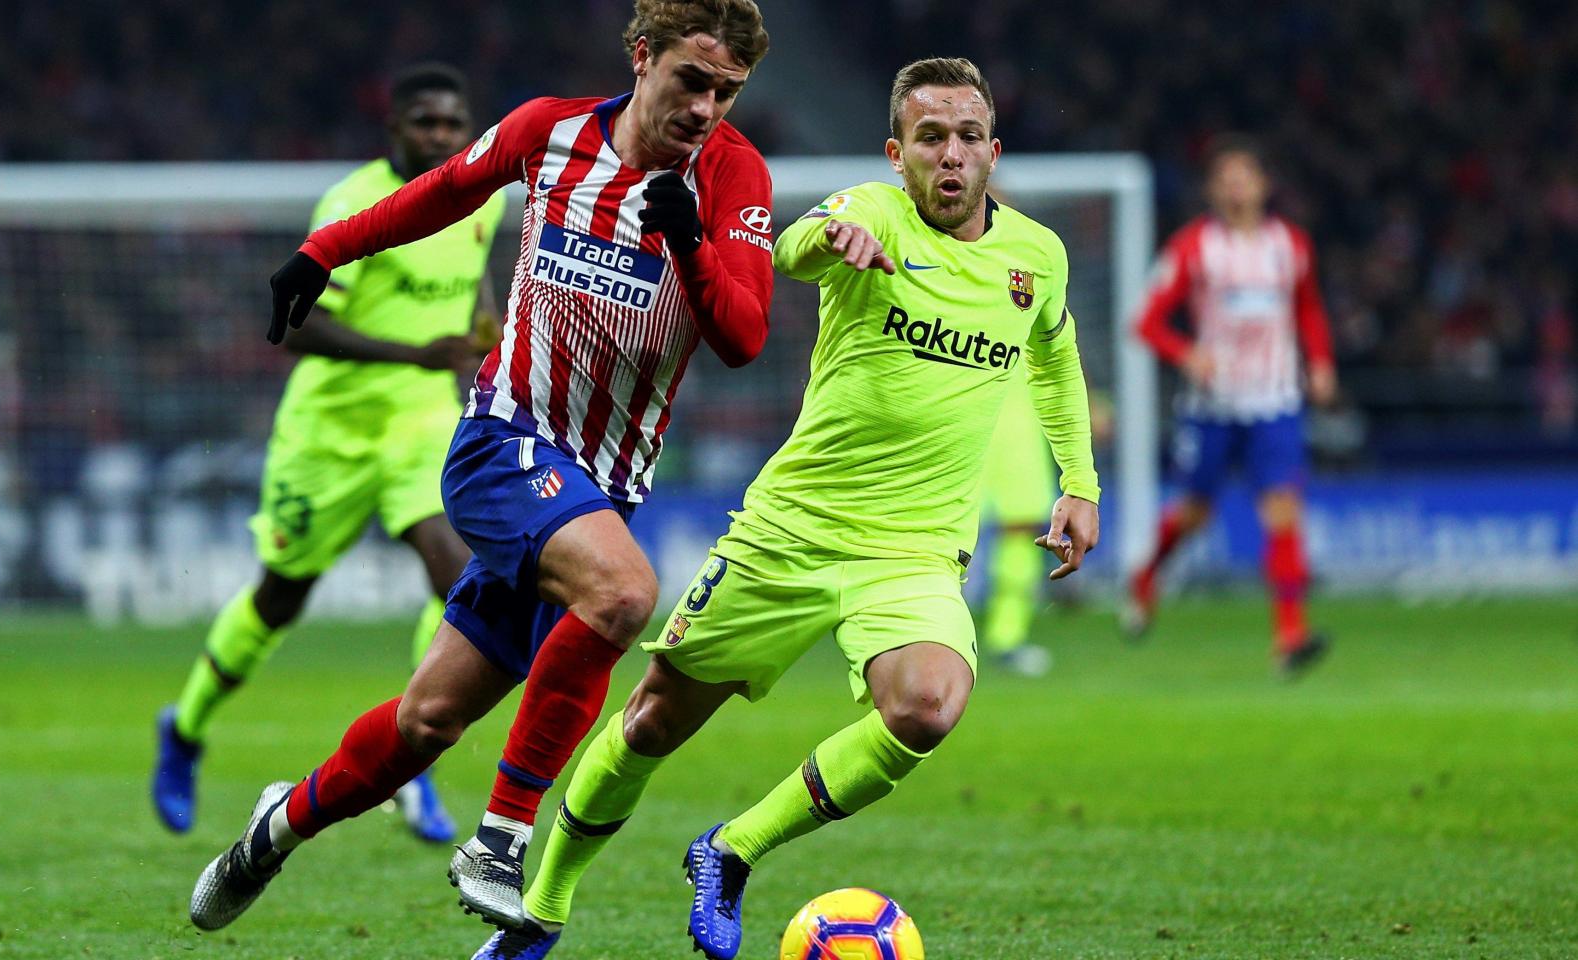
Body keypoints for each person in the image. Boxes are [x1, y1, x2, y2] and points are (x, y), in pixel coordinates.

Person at [475, 57, 1101, 960]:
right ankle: (541, 910)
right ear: (898, 153)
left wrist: (1078, 481)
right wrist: (829, 245)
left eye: (968, 137)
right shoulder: (869, 212)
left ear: (994, 151)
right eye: (930, 138)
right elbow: (790, 244)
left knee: (927, 706)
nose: (951, 156)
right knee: (653, 718)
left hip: (915, 550)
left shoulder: (1037, 256)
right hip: (791, 531)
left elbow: (1054, 355)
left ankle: (730, 851)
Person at [186, 0, 774, 934]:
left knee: (426, 722)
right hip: (504, 441)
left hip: (599, 486)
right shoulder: (551, 132)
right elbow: (444, 191)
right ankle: (500, 840)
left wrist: (692, 240)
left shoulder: (733, 174)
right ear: (641, 57)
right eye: (690, 81)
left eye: (726, 91)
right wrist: (323, 250)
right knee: (623, 594)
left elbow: (744, 336)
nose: (706, 108)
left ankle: (274, 828)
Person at [151, 62, 503, 843]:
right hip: (329, 434)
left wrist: (483, 329)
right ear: (395, 130)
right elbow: (297, 327)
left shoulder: (482, 198)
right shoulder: (353, 205)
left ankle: (413, 760)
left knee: (457, 576)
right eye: (427, 124)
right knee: (282, 596)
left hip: (418, 425)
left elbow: (470, 280)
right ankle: (185, 727)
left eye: (454, 123)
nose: (443, 136)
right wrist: (413, 354)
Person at [1123, 137, 1335, 675]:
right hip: (1212, 406)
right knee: (1195, 514)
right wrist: (1186, 351)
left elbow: (1308, 309)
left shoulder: (1291, 246)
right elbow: (1144, 322)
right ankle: (1146, 576)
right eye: (1227, 178)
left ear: (1264, 185)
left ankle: (1290, 637)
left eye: (1247, 176)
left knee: (1282, 510)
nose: (1238, 186)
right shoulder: (1192, 248)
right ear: (1214, 190)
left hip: (1275, 400)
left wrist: (1322, 362)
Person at [977, 367, 1059, 676]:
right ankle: (922, 637)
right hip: (965, 419)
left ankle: (1006, 638)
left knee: (1021, 533)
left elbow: (1058, 347)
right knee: (937, 534)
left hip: (1011, 425)